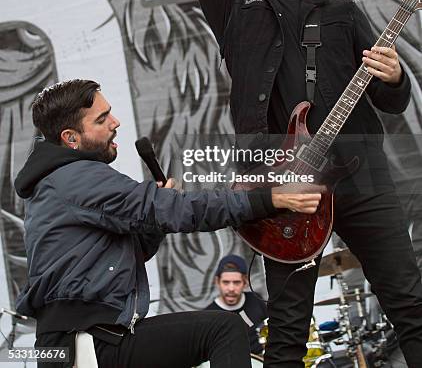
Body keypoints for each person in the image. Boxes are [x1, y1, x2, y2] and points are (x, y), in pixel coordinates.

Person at [121, 0, 422, 368]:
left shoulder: (343, 12)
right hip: (279, 179)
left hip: (361, 173)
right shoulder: (235, 4)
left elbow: (392, 102)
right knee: (285, 328)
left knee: (408, 303)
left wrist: (393, 78)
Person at [14, 79, 322, 368]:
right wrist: (270, 199)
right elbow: (181, 210)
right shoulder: (76, 178)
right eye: (101, 119)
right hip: (83, 340)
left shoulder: (59, 182)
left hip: (82, 337)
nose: (115, 122)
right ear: (71, 138)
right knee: (224, 329)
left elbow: (131, 249)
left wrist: (156, 214)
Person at [205, 255, 268, 356]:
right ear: (217, 282)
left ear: (245, 282)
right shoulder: (208, 314)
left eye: (236, 282)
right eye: (226, 282)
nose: (231, 288)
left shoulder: (256, 300)